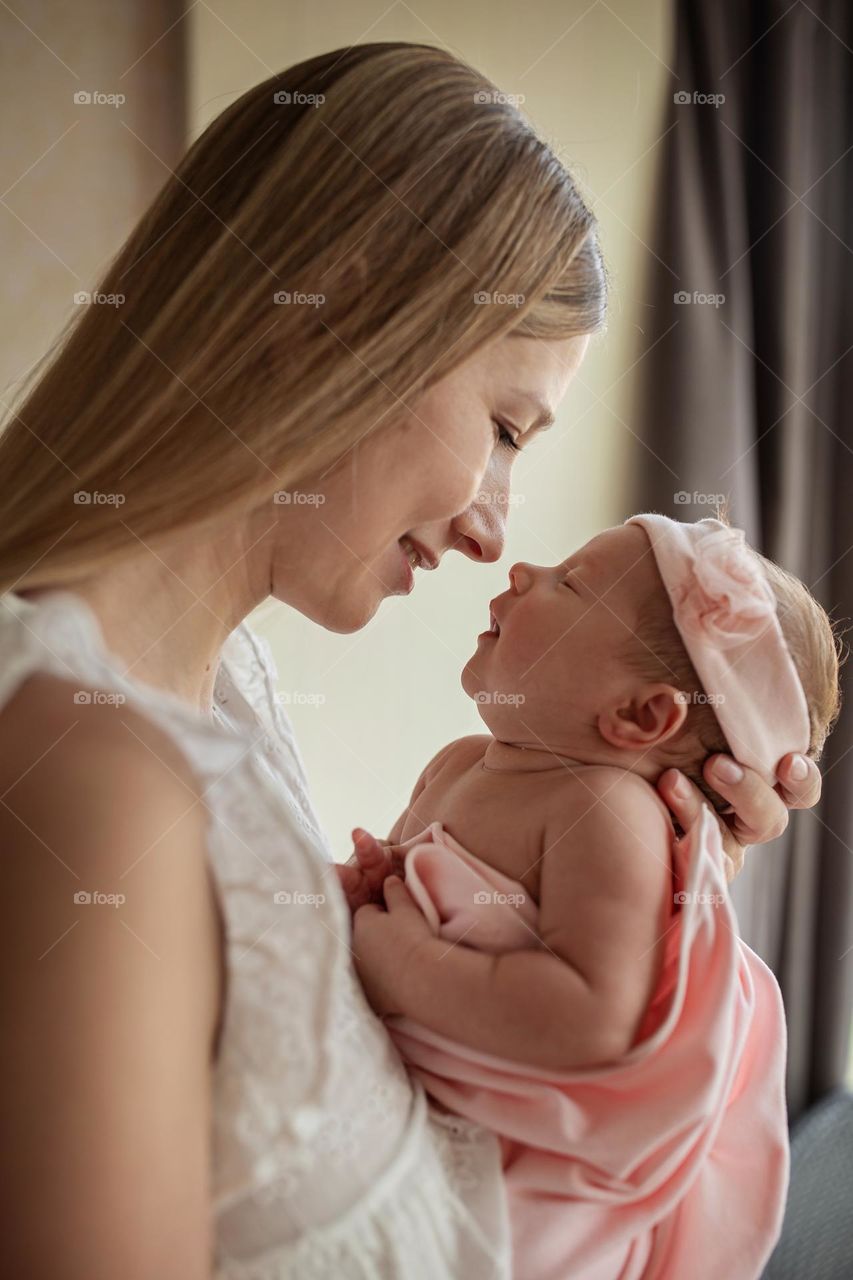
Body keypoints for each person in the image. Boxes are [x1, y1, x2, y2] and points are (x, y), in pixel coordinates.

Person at [0, 42, 821, 1280]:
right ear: (332, 310)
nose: (497, 528)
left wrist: (666, 903)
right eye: (502, 427)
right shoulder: (97, 780)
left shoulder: (224, 692)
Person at [342, 514, 840, 1278]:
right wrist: (369, 884)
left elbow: (588, 1016)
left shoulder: (603, 813)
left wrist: (400, 957)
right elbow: (403, 893)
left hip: (517, 1170)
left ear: (641, 715)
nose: (522, 571)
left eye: (569, 583)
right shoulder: (460, 765)